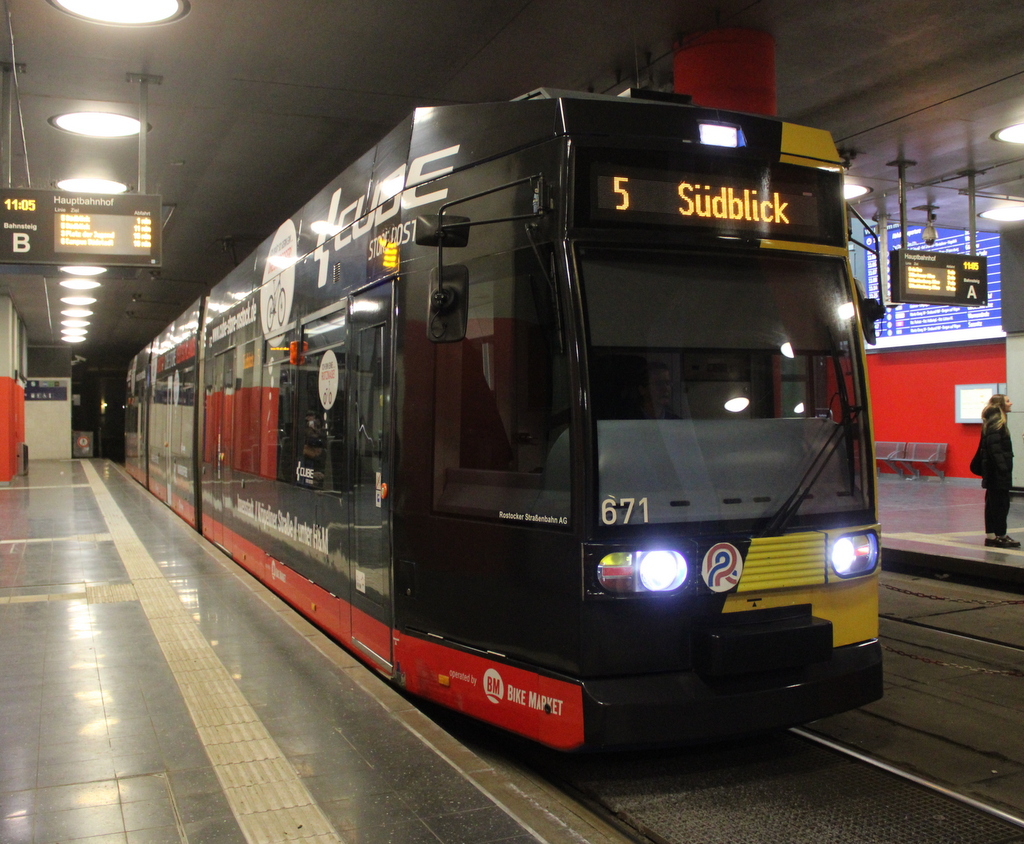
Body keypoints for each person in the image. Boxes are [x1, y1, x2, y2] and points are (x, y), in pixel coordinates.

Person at [980, 394, 1020, 548]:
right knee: (1000, 504)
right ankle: (1001, 536)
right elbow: (995, 449)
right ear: (1001, 405)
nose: (1011, 403)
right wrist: (1003, 469)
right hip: (997, 473)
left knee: (991, 504)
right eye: (1008, 401)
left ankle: (991, 536)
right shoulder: (998, 423)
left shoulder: (990, 422)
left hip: (992, 472)